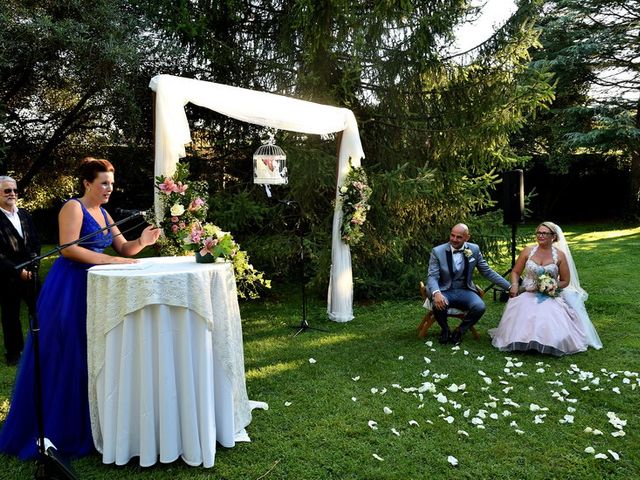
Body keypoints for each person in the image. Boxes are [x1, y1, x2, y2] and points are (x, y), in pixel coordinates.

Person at [0, 157, 160, 460]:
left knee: (94, 353)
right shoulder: (73, 207)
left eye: (111, 183)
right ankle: (62, 426)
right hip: (71, 287)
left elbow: (124, 248)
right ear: (87, 183)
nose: (109, 188)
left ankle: (95, 421)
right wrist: (114, 261)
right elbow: (69, 247)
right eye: (103, 183)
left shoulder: (104, 212)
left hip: (97, 286)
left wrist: (143, 240)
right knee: (68, 352)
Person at [489, 221, 601, 356]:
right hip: (528, 293)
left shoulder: (559, 255)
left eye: (544, 233)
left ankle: (549, 342)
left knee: (548, 316)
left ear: (553, 237)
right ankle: (522, 341)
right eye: (539, 233)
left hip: (549, 296)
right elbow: (515, 272)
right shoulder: (528, 251)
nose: (540, 236)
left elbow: (565, 281)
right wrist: (514, 285)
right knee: (525, 311)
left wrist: (551, 285)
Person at [427, 223, 510, 345]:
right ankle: (445, 329)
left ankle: (460, 331)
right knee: (439, 302)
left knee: (479, 307)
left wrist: (509, 286)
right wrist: (437, 293)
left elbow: (487, 272)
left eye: (459, 237)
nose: (454, 239)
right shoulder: (438, 251)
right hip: (444, 290)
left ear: (467, 238)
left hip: (464, 290)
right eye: (452, 235)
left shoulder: (474, 249)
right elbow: (432, 276)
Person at [0, 176, 41, 366]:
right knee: (10, 316)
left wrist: (34, 266)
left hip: (31, 272)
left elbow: (35, 242)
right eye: (8, 190)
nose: (13, 194)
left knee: (40, 309)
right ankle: (14, 353)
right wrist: (17, 272)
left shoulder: (24, 214)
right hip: (7, 276)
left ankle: (42, 345)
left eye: (15, 190)